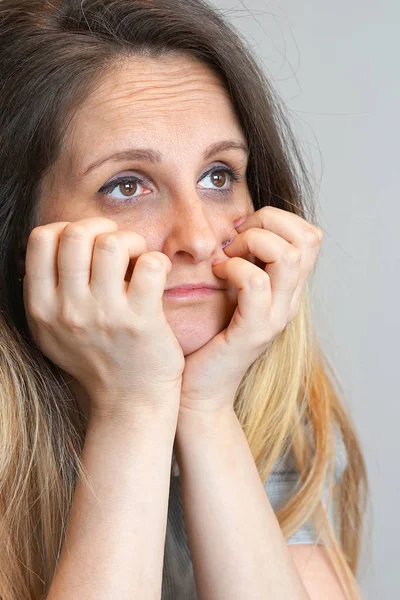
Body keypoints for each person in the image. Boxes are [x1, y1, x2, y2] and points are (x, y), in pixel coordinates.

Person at [0, 0, 370, 598]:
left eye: (219, 176)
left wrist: (206, 411)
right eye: (127, 186)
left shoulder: (269, 405)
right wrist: (132, 409)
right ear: (19, 237)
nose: (199, 237)